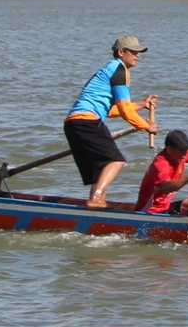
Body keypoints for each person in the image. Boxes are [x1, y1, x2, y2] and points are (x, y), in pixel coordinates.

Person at [64, 35, 159, 207]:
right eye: (134, 52)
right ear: (121, 52)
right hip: (87, 122)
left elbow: (110, 110)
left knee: (100, 169)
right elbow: (123, 109)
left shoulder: (109, 69)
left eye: (139, 52)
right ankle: (95, 199)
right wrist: (146, 126)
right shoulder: (120, 70)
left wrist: (141, 104)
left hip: (73, 123)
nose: (137, 55)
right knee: (116, 161)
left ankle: (97, 203)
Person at [134, 117, 188, 214]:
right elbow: (166, 187)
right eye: (182, 150)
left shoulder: (181, 156)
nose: (185, 153)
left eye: (186, 150)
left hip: (166, 207)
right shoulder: (161, 164)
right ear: (169, 149)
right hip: (150, 211)